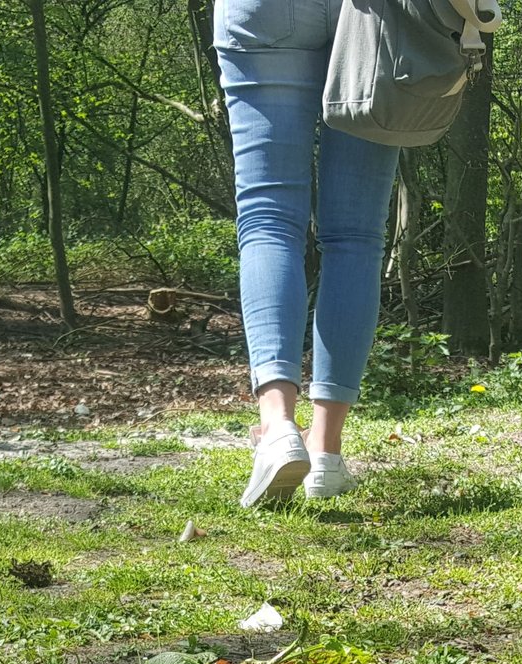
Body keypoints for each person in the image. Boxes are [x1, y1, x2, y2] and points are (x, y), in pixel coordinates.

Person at [215, 0, 402, 507]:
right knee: (356, 235)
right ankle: (325, 452)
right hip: (372, 14)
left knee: (269, 220)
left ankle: (278, 427)